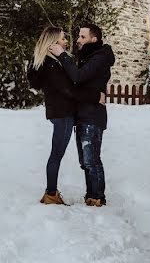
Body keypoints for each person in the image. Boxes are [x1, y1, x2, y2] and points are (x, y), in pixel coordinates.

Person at [28, 26, 105, 206]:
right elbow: (69, 91)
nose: (66, 42)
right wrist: (96, 97)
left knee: (56, 154)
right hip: (63, 115)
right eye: (63, 39)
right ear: (54, 42)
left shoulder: (50, 63)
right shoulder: (53, 65)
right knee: (56, 154)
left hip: (59, 113)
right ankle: (51, 194)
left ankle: (51, 192)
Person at [48, 23, 115, 207]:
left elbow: (78, 77)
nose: (77, 40)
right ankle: (91, 195)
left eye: (82, 37)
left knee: (91, 160)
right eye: (78, 36)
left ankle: (98, 197)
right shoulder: (88, 57)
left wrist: (62, 55)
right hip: (83, 114)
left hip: (92, 115)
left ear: (94, 39)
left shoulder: (100, 57)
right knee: (85, 161)